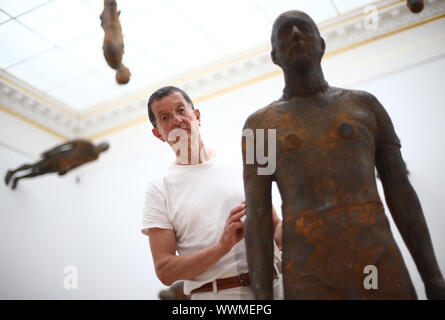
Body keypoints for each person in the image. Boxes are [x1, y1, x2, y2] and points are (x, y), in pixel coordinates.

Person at [242, 10, 445, 299]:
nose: (296, 35)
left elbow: (400, 192)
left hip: (377, 263)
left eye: (304, 28)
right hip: (310, 276)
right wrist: (262, 298)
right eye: (285, 32)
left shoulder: (365, 105)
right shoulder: (260, 126)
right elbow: (258, 218)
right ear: (274, 56)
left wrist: (433, 276)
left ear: (322, 44)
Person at [141, 86, 283, 299]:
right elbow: (165, 270)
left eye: (181, 110)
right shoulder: (159, 190)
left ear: (196, 116)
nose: (177, 120)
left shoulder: (241, 164)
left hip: (277, 287)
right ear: (158, 133)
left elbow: (276, 228)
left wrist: (298, 218)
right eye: (165, 117)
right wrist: (222, 246)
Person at [4, 139, 109, 189]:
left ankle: (18, 178)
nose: (101, 149)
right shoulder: (86, 144)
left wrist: (68, 170)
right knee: (34, 167)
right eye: (102, 146)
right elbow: (66, 144)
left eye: (103, 149)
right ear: (99, 144)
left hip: (62, 166)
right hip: (58, 158)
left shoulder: (94, 157)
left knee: (38, 173)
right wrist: (51, 151)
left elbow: (79, 164)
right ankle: (12, 172)